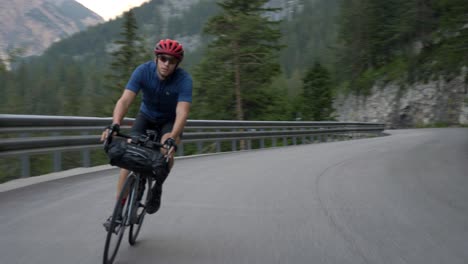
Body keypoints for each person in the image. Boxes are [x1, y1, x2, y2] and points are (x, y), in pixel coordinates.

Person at [101, 39, 192, 228]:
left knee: (167, 151)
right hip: (146, 116)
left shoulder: (184, 80)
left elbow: (182, 112)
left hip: (168, 122)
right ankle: (118, 212)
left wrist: (173, 137)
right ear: (156, 58)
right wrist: (115, 124)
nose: (167, 63)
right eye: (163, 58)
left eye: (172, 61)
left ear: (177, 64)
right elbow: (125, 100)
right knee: (128, 156)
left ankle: (157, 187)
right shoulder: (143, 71)